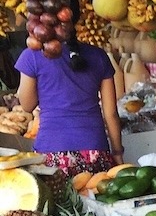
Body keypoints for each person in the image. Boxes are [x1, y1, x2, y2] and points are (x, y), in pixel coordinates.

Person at [16, 36, 123, 178]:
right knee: (94, 198)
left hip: (51, 154)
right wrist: (117, 153)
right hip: (95, 151)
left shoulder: (32, 55)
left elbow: (27, 105)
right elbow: (111, 114)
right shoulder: (98, 56)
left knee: (61, 200)